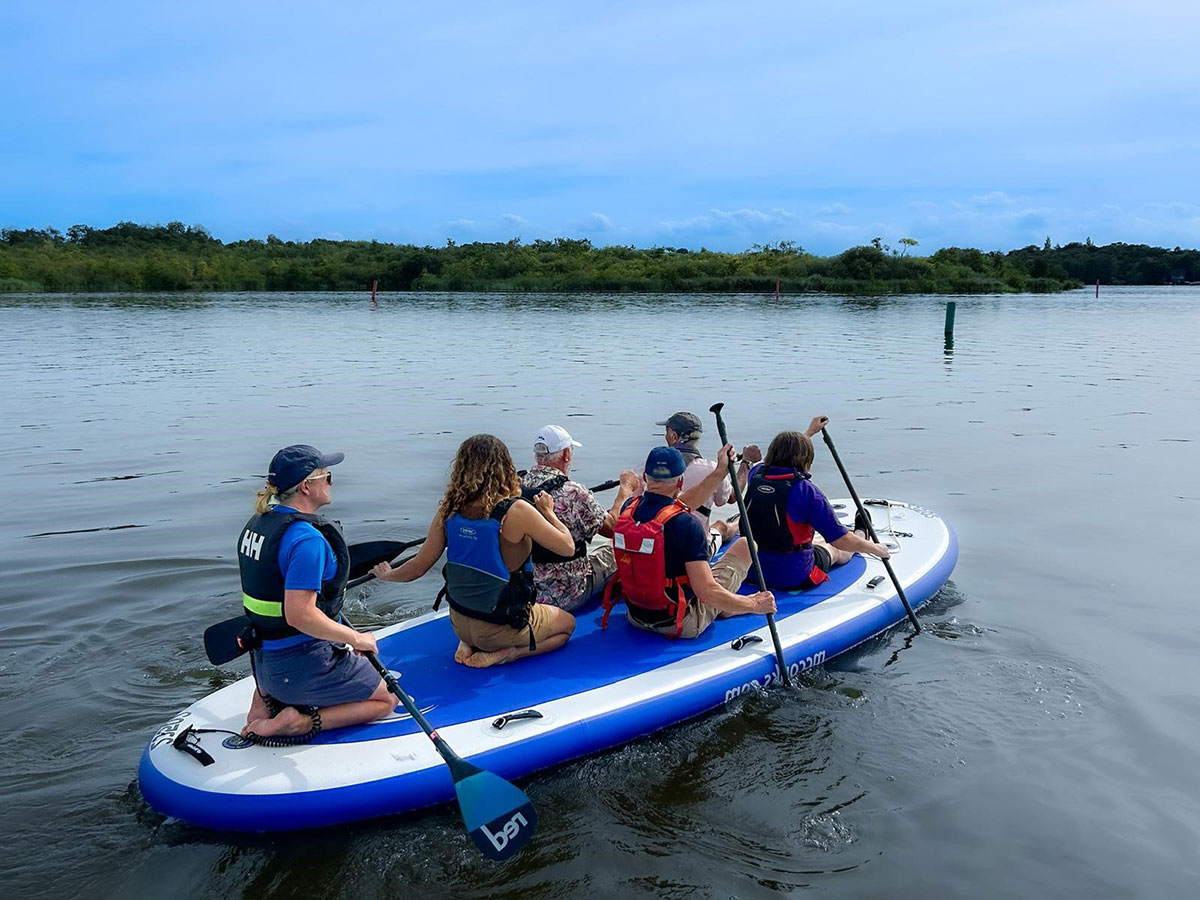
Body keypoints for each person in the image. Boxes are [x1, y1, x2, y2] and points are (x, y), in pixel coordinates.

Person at [371, 434, 578, 668]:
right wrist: (548, 513)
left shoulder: (448, 510)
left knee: (478, 614)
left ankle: (468, 643)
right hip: (502, 626)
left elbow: (418, 568)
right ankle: (507, 654)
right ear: (506, 467)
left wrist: (387, 574)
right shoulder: (517, 510)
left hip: (459, 622)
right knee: (567, 626)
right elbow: (567, 547)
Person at [238, 445, 397, 740]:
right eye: (327, 476)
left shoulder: (257, 525)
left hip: (264, 666)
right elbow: (300, 615)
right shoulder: (306, 540)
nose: (332, 483)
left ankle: (263, 702)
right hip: (300, 665)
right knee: (387, 698)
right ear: (306, 487)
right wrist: (356, 638)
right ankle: (301, 723)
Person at [603, 446, 776, 639]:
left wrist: (720, 472)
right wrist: (754, 604)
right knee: (746, 545)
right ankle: (726, 607)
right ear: (680, 482)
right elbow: (707, 592)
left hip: (635, 616)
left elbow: (678, 506)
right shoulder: (688, 525)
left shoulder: (629, 509)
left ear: (645, 477)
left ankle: (723, 605)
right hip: (681, 622)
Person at [732, 418, 891, 592]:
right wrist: (877, 549)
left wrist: (809, 432)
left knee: (809, 538)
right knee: (833, 549)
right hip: (791, 576)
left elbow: (783, 454)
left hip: (749, 570)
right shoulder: (807, 492)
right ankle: (862, 535)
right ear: (806, 460)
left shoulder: (756, 474)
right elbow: (841, 540)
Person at [520, 424, 639, 612]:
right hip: (568, 593)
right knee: (616, 552)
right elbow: (613, 529)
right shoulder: (573, 492)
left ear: (537, 456)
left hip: (527, 589)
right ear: (566, 454)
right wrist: (626, 489)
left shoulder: (518, 486)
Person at [639, 411, 759, 547]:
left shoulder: (647, 467)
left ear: (674, 436)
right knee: (721, 527)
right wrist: (745, 464)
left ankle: (736, 522)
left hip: (653, 540)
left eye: (666, 432)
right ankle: (738, 523)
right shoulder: (712, 469)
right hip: (697, 545)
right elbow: (731, 497)